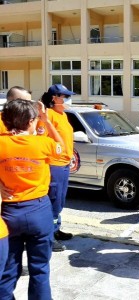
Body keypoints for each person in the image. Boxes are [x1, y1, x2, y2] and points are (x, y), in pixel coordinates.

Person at [0, 99, 63, 299]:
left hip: (10, 212)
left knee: (8, 271)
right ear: (30, 122)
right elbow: (63, 150)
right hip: (38, 209)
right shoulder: (42, 143)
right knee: (40, 269)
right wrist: (46, 119)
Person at [41, 84, 75, 252]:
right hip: (54, 165)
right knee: (53, 200)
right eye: (65, 97)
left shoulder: (62, 115)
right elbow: (42, 140)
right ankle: (49, 236)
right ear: (54, 98)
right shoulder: (48, 116)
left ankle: (56, 229)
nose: (67, 100)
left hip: (64, 164)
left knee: (60, 200)